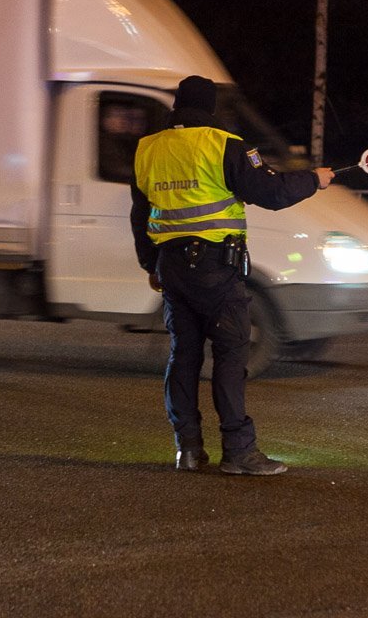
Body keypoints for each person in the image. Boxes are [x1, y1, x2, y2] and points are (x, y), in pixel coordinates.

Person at [130, 75, 334, 475]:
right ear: (210, 109)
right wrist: (314, 179)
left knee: (183, 356)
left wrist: (148, 264)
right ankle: (239, 452)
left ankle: (187, 449)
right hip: (216, 268)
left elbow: (141, 215)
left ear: (177, 106)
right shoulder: (222, 145)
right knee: (229, 353)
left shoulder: (147, 149)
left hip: (170, 268)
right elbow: (272, 192)